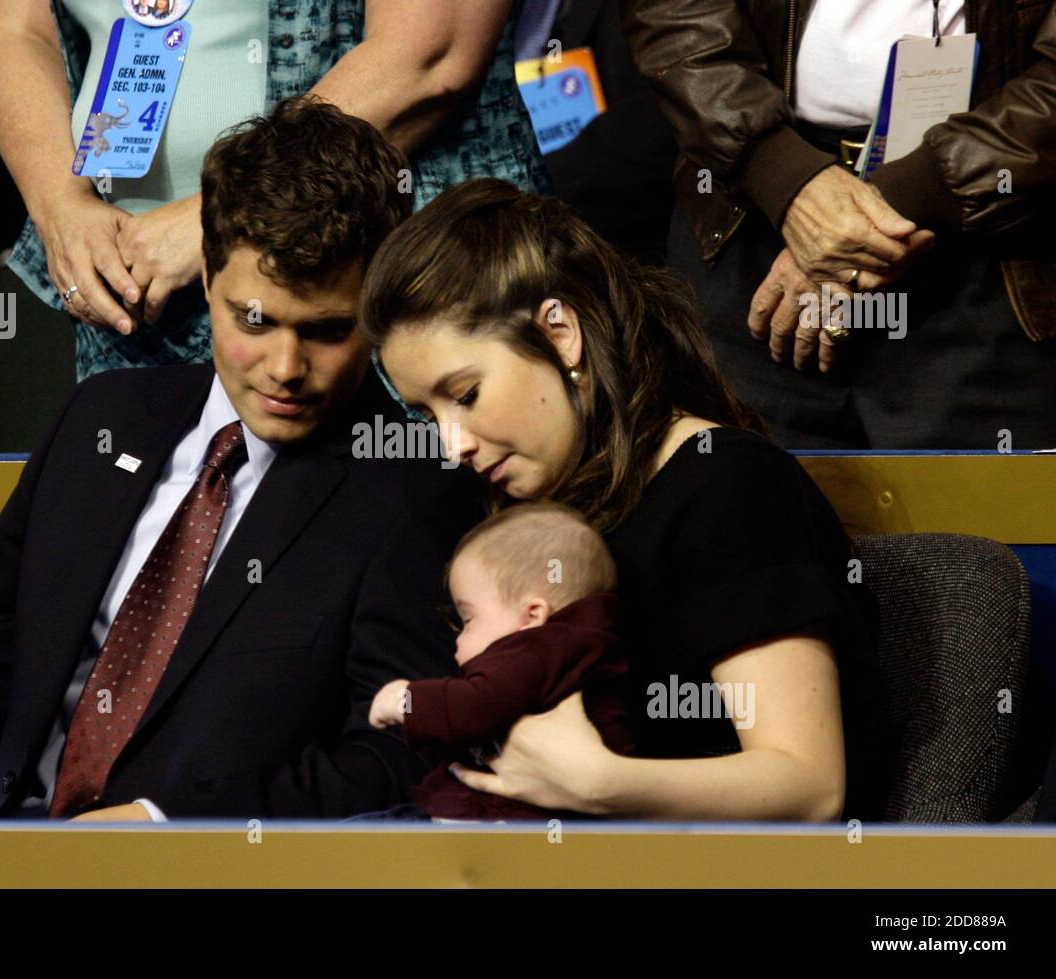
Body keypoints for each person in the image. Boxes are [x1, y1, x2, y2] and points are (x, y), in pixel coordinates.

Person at [0, 99, 483, 822]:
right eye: (254, 320)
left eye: (327, 330)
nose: (287, 367)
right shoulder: (100, 418)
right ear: (207, 279)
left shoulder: (411, 489)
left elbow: (394, 758)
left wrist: (166, 821)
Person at [360, 178, 890, 822]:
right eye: (426, 413)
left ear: (559, 334)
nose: (453, 445)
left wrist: (598, 781)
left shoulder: (730, 485)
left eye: (465, 394)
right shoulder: (532, 511)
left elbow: (810, 788)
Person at [0, 0, 548, 382]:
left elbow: (432, 53)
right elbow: (19, 27)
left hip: (365, 274)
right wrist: (61, 206)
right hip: (126, 298)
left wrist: (222, 217)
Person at [622, 0, 1056, 449]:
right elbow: (672, 16)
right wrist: (780, 174)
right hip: (744, 213)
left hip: (995, 230)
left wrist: (882, 208)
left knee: (983, 508)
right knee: (743, 500)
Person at [368, 501, 632, 822]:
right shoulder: (572, 651)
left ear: (532, 615)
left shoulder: (538, 648)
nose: (458, 640)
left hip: (496, 820)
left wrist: (406, 699)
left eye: (468, 619)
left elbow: (474, 708)